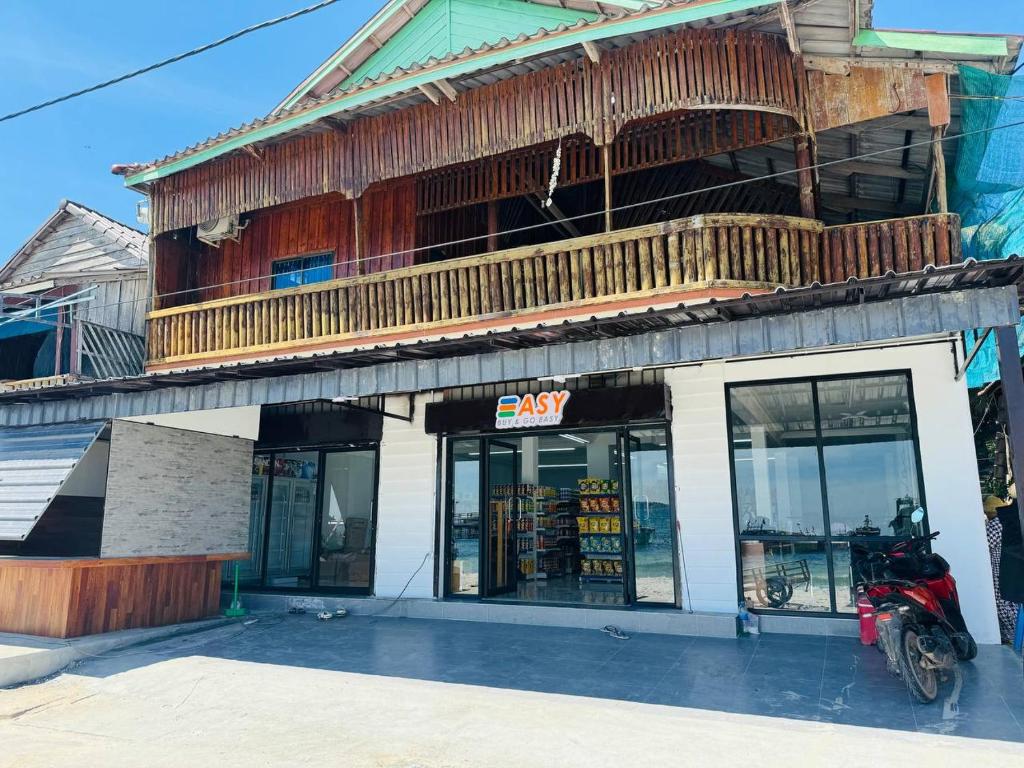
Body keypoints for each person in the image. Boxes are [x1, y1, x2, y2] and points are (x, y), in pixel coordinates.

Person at [984, 495, 1021, 644]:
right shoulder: (1004, 522)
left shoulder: (996, 525)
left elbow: (985, 542)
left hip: (999, 568)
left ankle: (1013, 635)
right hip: (1007, 566)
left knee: (1002, 602)